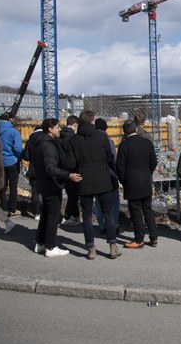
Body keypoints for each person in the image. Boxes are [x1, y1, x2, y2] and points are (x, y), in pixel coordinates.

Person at [65, 110, 119, 260]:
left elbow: (70, 163)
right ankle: (112, 245)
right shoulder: (102, 137)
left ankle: (91, 247)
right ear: (92, 121)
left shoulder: (74, 140)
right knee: (108, 213)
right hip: (102, 179)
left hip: (83, 180)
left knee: (87, 215)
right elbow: (110, 157)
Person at [32, 118, 82, 257]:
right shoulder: (48, 146)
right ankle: (51, 246)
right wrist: (68, 175)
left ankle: (40, 243)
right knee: (53, 216)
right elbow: (51, 168)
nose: (59, 129)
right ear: (50, 129)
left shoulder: (39, 142)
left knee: (46, 214)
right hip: (51, 184)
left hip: (43, 182)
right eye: (57, 127)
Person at [117, 120, 159, 249]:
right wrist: (147, 172)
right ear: (135, 129)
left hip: (132, 181)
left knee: (135, 211)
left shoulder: (124, 145)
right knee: (147, 209)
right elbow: (153, 161)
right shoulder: (147, 143)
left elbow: (120, 167)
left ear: (124, 131)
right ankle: (153, 236)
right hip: (145, 180)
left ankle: (139, 238)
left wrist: (124, 180)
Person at [94, 118, 120, 236]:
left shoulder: (90, 141)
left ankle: (102, 225)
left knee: (98, 201)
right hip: (109, 174)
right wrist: (116, 173)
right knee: (114, 201)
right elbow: (113, 159)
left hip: (95, 175)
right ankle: (113, 225)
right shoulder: (109, 142)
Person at [0, 112, 23, 216]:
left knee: (2, 186)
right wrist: (18, 157)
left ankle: (3, 207)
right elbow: (18, 148)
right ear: (10, 119)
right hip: (12, 161)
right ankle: (12, 209)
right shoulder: (13, 131)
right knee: (13, 186)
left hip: (0, 161)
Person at [60, 115, 81, 226]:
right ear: (75, 125)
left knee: (70, 193)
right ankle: (68, 216)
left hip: (62, 168)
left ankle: (75, 215)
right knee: (74, 194)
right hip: (72, 168)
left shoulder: (60, 136)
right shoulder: (73, 138)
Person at [21, 125, 43, 220]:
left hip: (33, 169)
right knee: (47, 192)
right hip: (45, 170)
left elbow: (26, 156)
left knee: (35, 192)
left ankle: (36, 213)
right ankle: (47, 210)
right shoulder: (47, 139)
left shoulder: (30, 140)